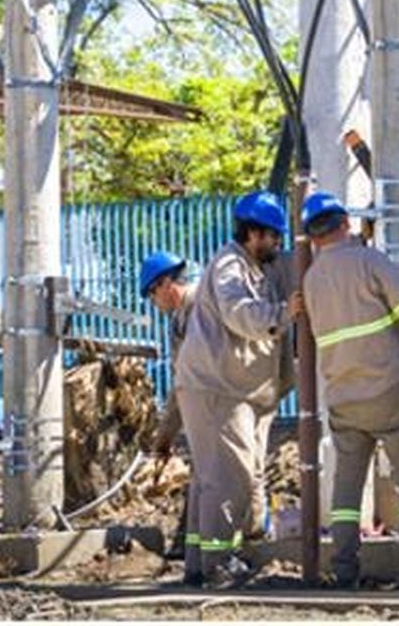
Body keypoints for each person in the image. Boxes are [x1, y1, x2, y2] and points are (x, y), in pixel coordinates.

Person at [297, 191, 399, 591]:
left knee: (348, 488)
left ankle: (345, 567)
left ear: (313, 238)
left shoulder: (312, 280)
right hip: (388, 389)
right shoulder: (372, 262)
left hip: (342, 397)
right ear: (344, 223)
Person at [172, 192, 297, 585]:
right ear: (254, 233)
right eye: (273, 236)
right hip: (218, 388)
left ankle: (198, 562)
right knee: (232, 478)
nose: (277, 244)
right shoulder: (230, 266)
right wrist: (281, 314)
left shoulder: (250, 268)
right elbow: (238, 312)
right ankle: (218, 563)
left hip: (228, 387)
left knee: (213, 478)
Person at [139, 251, 198, 578]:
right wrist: (166, 436)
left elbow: (182, 385)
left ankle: (248, 539)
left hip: (223, 406)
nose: (153, 302)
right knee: (206, 479)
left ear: (164, 285)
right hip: (210, 408)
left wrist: (164, 437)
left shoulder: (196, 309)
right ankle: (188, 547)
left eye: (151, 294)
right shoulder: (182, 316)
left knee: (224, 479)